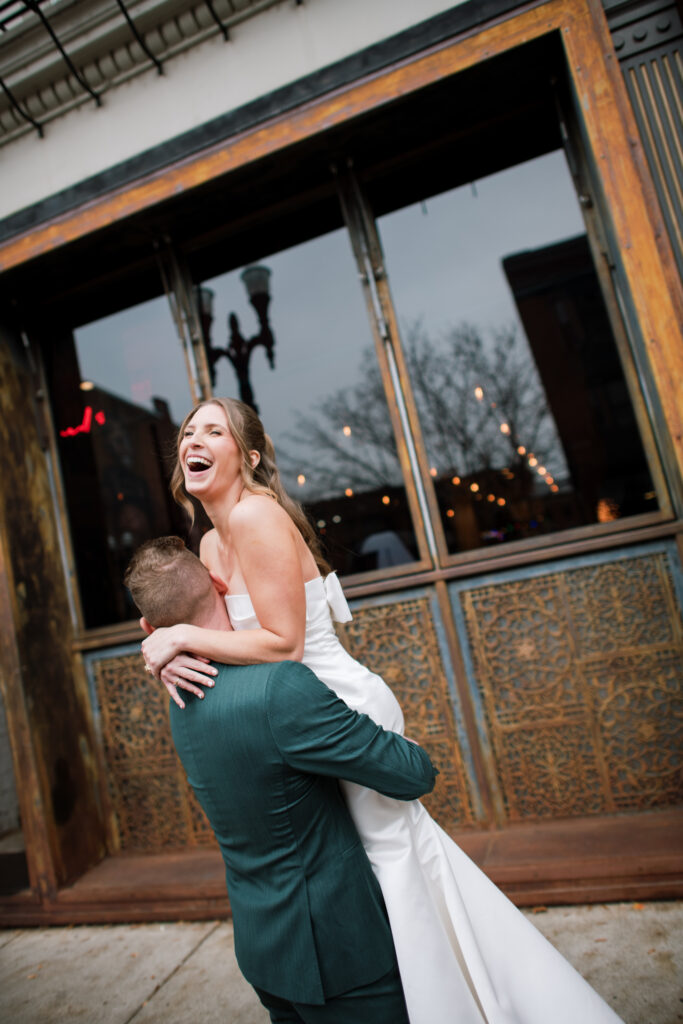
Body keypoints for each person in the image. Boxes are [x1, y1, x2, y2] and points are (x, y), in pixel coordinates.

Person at [140, 397, 623, 1024]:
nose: (193, 438)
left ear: (249, 457)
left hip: (335, 702)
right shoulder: (205, 545)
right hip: (288, 713)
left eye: (214, 429)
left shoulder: (257, 516)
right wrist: (166, 653)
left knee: (390, 872)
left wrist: (183, 639)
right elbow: (212, 634)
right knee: (352, 868)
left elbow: (283, 643)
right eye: (187, 430)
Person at [126, 536, 438, 1023]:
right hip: (339, 953)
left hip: (264, 951)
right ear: (219, 582)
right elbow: (411, 774)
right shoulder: (277, 687)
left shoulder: (179, 701)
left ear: (151, 629)